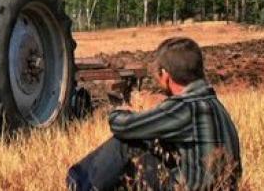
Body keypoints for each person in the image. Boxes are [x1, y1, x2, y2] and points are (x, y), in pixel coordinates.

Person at [67, 37, 241, 190]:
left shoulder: (186, 107)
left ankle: (78, 183)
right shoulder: (215, 105)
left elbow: (123, 126)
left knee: (128, 144)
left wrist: (121, 112)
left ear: (165, 75)